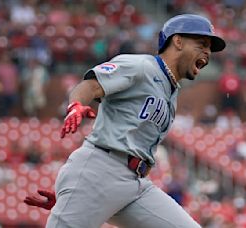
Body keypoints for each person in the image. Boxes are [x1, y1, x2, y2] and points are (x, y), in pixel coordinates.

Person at [24, 14, 226, 227]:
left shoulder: (171, 91)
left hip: (134, 184)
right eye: (202, 44)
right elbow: (89, 86)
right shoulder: (141, 66)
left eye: (210, 48)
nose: (207, 52)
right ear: (177, 41)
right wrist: (76, 106)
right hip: (100, 171)